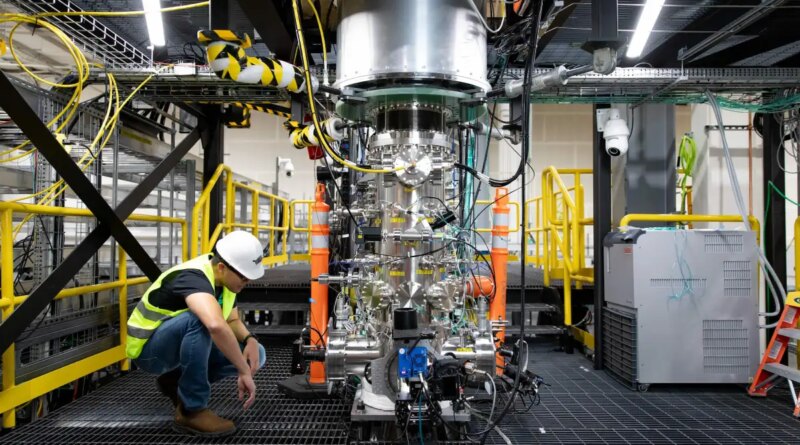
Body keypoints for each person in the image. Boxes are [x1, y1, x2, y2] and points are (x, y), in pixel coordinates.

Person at [125, 230, 266, 437]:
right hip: (150, 352)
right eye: (244, 277)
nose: (247, 282)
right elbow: (215, 325)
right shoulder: (193, 277)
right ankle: (192, 410)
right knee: (200, 321)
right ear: (222, 267)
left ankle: (174, 381)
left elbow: (232, 321)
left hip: (174, 346)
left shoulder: (225, 282)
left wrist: (250, 339)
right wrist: (243, 371)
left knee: (256, 354)